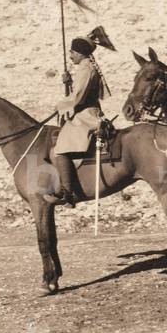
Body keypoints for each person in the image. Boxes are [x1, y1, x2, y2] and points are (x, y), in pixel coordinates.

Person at [43, 30, 113, 207]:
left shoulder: (86, 68)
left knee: (61, 148)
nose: (70, 55)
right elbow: (78, 92)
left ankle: (67, 192)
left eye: (72, 52)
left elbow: (79, 97)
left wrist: (61, 105)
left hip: (86, 116)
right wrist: (68, 83)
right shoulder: (85, 67)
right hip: (82, 113)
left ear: (81, 53)